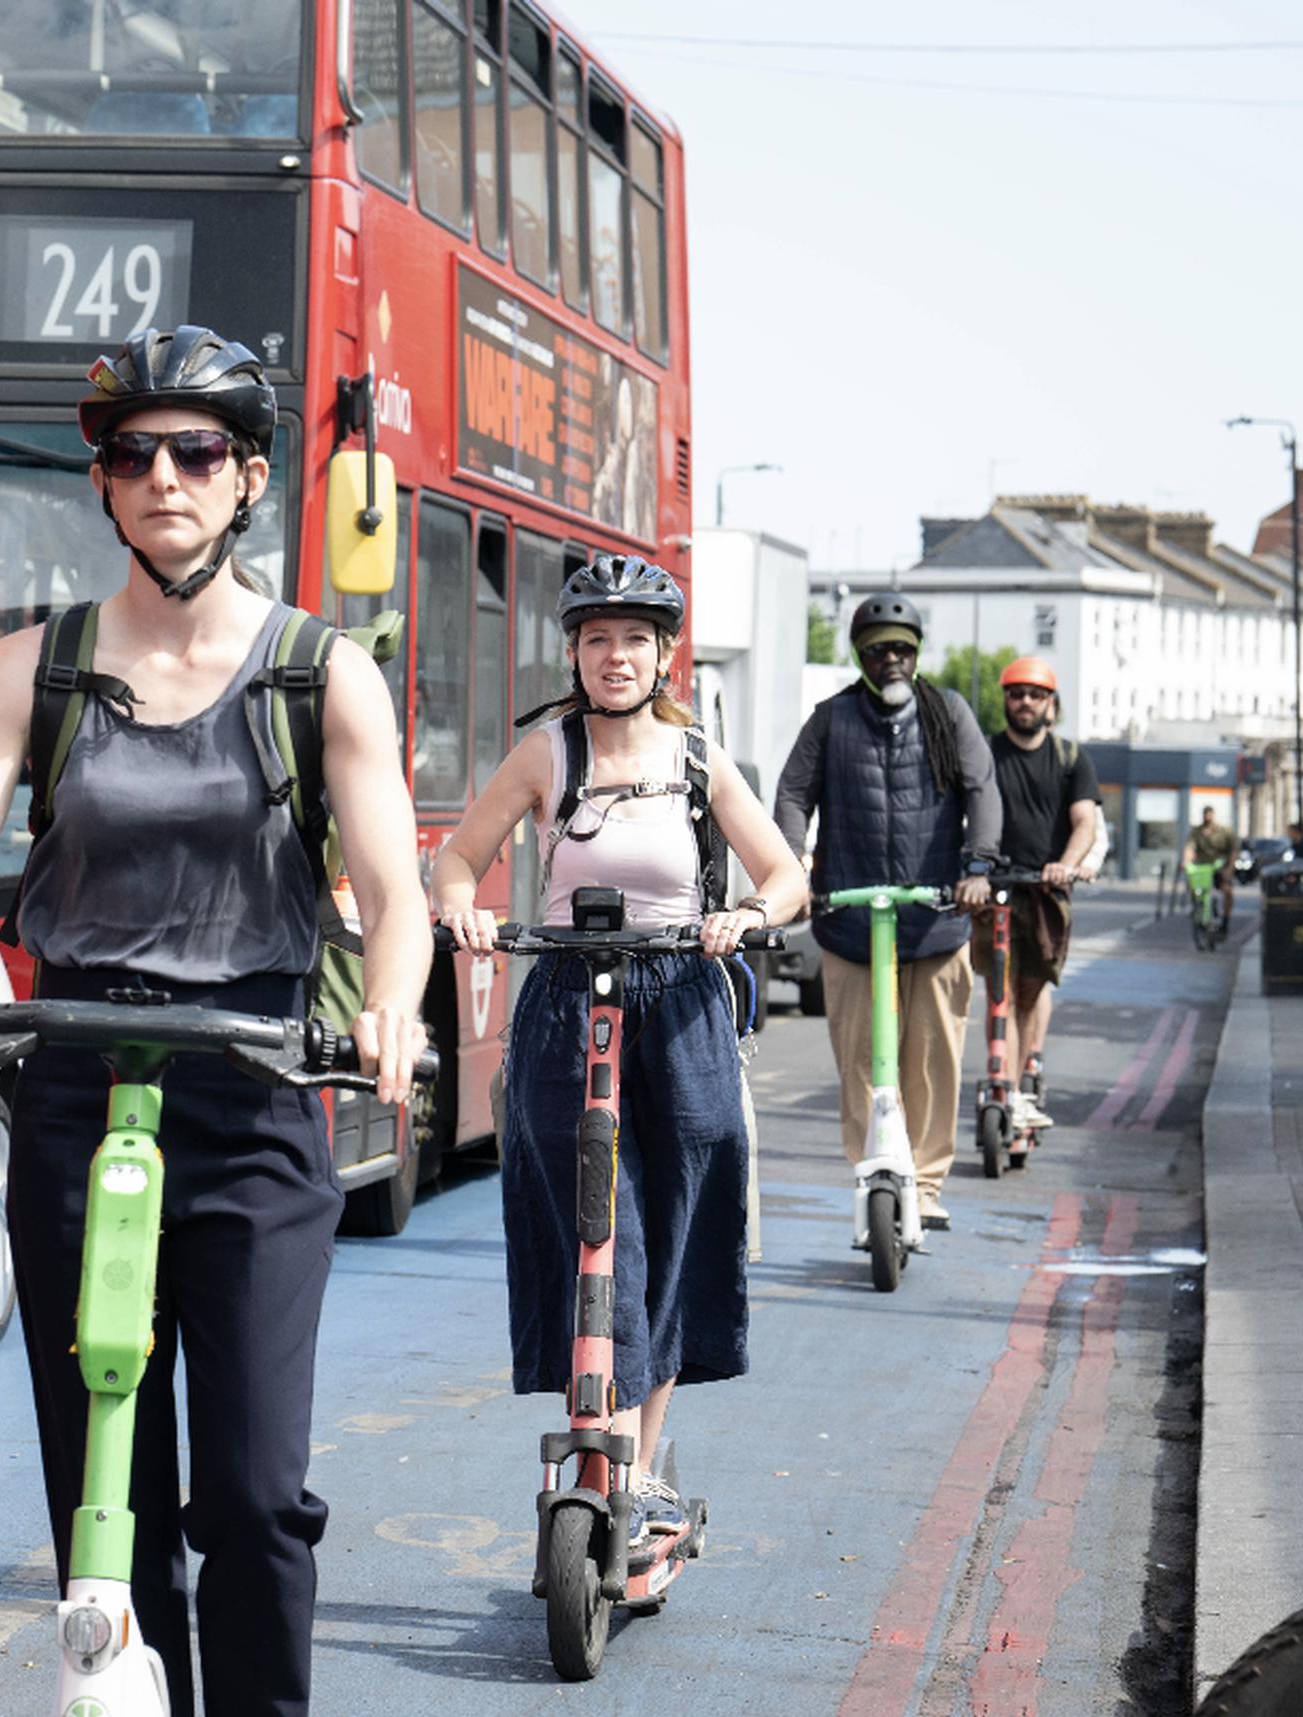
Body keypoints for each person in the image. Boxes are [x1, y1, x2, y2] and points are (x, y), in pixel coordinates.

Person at [0, 324, 430, 1717]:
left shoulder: (318, 673)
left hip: (252, 1088)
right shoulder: (28, 669)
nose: (164, 475)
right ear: (103, 482)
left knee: (253, 1491)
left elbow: (394, 892)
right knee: (102, 1480)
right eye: (133, 453)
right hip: (77, 1084)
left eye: (198, 451)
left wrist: (391, 1010)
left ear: (249, 479)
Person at [432, 555, 806, 1544]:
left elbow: (782, 873)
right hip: (567, 1000)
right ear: (573, 652)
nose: (615, 655)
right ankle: (604, 1446)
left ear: (663, 654)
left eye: (634, 639)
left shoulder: (697, 760)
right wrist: (460, 907)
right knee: (600, 1228)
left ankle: (638, 1457)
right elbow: (457, 857)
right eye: (596, 638)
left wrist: (748, 913)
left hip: (680, 1000)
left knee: (675, 1221)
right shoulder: (545, 753)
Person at [772, 592, 1000, 1232]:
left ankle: (924, 1183)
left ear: (916, 653)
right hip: (850, 921)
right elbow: (792, 795)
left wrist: (977, 868)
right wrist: (792, 868)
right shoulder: (831, 720)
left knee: (931, 1059)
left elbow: (982, 791)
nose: (891, 660)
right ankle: (871, 1165)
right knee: (861, 1062)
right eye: (878, 651)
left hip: (936, 917)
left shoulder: (948, 714)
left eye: (901, 649)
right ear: (860, 657)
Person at [981, 655, 1100, 1130]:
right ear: (1006, 700)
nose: (1025, 701)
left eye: (1035, 694)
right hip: (995, 891)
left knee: (1030, 990)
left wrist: (1065, 865)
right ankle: (1006, 1087)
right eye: (1016, 694)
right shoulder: (986, 754)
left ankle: (1022, 1073)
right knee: (1001, 991)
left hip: (1045, 891)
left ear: (1050, 702)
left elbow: (1085, 821)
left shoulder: (1070, 758)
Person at [1181, 803, 1237, 928]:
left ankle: (1225, 920)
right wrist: (1186, 861)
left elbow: (1233, 850)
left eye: (1210, 814)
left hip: (1219, 867)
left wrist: (1229, 869)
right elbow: (1190, 847)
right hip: (1202, 867)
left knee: (1227, 891)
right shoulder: (1197, 832)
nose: (1208, 817)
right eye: (1205, 814)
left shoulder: (1224, 831)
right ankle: (1197, 908)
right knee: (1193, 886)